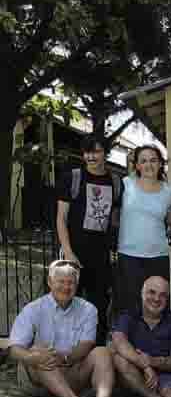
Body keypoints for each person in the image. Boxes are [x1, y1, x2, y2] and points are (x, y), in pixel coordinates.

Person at [8, 259, 119, 397]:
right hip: (38, 378)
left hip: (71, 369)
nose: (66, 287)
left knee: (102, 352)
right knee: (41, 351)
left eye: (71, 283)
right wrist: (33, 357)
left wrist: (65, 358)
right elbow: (14, 349)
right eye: (61, 282)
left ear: (77, 285)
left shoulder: (88, 309)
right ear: (50, 282)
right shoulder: (33, 309)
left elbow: (87, 344)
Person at [55, 136, 122, 342]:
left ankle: (98, 352)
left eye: (96, 151)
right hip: (74, 253)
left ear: (105, 153)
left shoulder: (116, 181)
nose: (91, 156)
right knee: (66, 303)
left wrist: (113, 250)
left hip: (100, 256)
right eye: (87, 152)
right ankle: (65, 350)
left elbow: (115, 221)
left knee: (99, 308)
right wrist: (67, 251)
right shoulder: (73, 177)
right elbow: (61, 218)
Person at [110, 275, 171, 397]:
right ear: (142, 293)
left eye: (162, 295)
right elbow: (119, 342)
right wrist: (145, 366)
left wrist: (152, 361)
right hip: (134, 378)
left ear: (167, 299)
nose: (156, 299)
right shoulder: (128, 316)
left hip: (166, 376)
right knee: (119, 359)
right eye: (151, 293)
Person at [116, 144, 171, 316]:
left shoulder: (169, 192)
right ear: (137, 165)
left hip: (158, 256)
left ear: (160, 164)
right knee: (130, 305)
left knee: (157, 305)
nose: (149, 165)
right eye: (143, 161)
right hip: (129, 255)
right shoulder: (125, 185)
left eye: (153, 160)